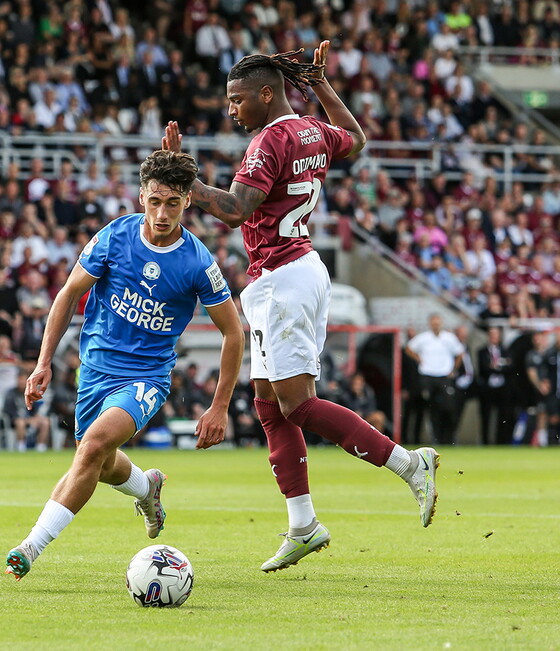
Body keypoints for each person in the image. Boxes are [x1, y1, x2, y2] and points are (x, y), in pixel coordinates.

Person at [161, 41, 439, 573]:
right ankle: (303, 525)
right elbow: (355, 138)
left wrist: (182, 180)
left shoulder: (270, 140)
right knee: (269, 403)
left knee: (298, 405)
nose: (231, 109)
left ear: (267, 94)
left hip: (283, 279)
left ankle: (409, 464)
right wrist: (322, 85)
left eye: (238, 99)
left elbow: (235, 209)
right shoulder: (311, 129)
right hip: (297, 271)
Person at [5, 149, 244, 580]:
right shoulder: (114, 237)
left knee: (93, 447)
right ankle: (146, 487)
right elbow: (68, 294)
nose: (162, 213)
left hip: (146, 377)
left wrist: (220, 406)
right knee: (97, 460)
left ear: (188, 201)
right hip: (94, 370)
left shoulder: (197, 262)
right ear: (140, 197)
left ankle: (31, 547)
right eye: (155, 201)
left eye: (173, 203)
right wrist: (43, 363)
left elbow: (233, 332)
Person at [406, 314, 465, 445]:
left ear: (441, 323)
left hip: (444, 376)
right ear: (430, 324)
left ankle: (448, 438)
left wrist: (454, 369)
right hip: (428, 375)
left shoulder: (449, 338)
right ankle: (434, 438)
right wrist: (418, 359)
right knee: (429, 408)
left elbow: (460, 353)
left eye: (437, 323)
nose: (436, 325)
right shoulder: (423, 338)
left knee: (448, 407)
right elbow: (409, 348)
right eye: (433, 323)